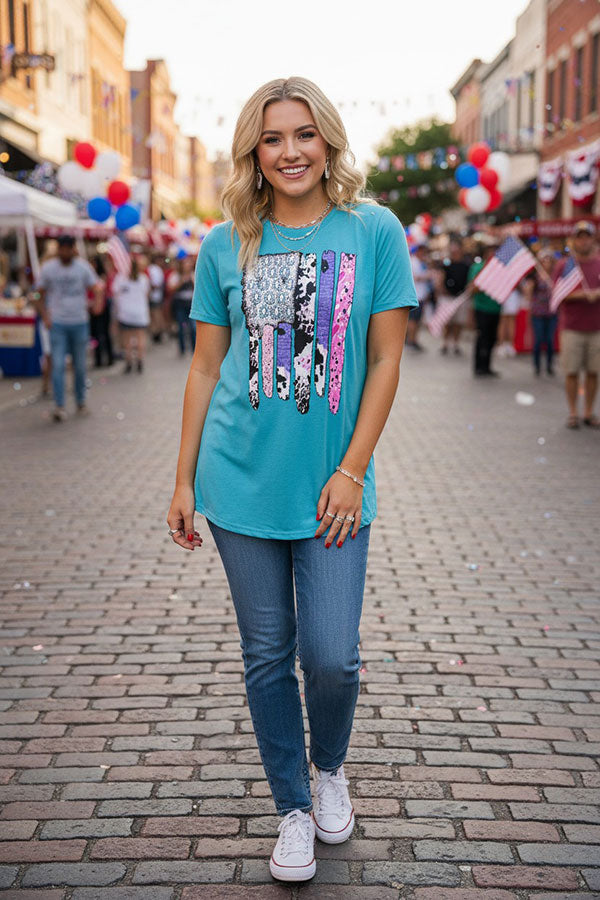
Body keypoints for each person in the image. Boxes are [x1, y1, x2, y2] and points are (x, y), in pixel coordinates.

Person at [166, 76, 418, 883]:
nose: (289, 151)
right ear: (254, 152)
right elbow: (205, 370)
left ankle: (330, 767)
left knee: (333, 656)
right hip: (239, 483)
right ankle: (293, 809)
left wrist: (353, 469)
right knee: (268, 655)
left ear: (329, 140)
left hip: (334, 490)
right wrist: (182, 482)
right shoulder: (224, 243)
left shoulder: (372, 231)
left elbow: (386, 358)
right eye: (272, 139)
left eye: (303, 134)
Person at [34, 234, 102, 421]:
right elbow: (38, 294)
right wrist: (45, 316)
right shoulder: (48, 269)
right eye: (61, 248)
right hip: (58, 324)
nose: (64, 252)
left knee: (80, 365)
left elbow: (97, 287)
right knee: (57, 364)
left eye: (68, 248)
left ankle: (80, 401)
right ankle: (60, 405)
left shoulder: (82, 267)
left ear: (73, 248)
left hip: (79, 322)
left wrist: (98, 303)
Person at [555, 221, 600, 429]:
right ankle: (573, 412)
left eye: (587, 236)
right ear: (574, 240)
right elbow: (556, 295)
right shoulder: (565, 265)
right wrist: (581, 295)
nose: (583, 241)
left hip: (596, 328)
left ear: (593, 238)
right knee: (571, 372)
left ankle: (589, 412)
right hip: (572, 327)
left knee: (593, 372)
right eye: (580, 237)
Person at [521, 249, 557, 376]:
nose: (547, 262)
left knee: (549, 340)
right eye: (544, 260)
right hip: (537, 313)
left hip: (551, 313)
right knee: (538, 339)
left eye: (549, 260)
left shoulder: (555, 276)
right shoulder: (535, 277)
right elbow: (527, 293)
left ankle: (549, 365)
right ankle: (537, 365)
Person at [469, 243, 502, 377]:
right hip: (482, 308)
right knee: (482, 337)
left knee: (492, 338)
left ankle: (487, 366)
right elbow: (472, 288)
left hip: (495, 308)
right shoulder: (477, 267)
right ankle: (479, 366)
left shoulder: (499, 268)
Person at [112, 256, 150, 373]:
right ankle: (139, 360)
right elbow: (146, 294)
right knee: (140, 338)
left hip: (125, 313)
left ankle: (128, 362)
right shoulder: (143, 279)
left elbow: (114, 294)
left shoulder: (120, 279)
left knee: (127, 339)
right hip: (140, 312)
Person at [439, 237, 471, 355]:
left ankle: (456, 343)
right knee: (447, 322)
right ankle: (445, 343)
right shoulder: (447, 264)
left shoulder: (466, 265)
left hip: (460, 297)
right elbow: (441, 278)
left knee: (458, 322)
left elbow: (468, 280)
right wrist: (441, 291)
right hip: (447, 297)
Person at [89, 256, 114, 368]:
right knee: (95, 335)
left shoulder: (102, 277)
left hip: (102, 308)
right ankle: (98, 358)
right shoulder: (90, 277)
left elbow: (104, 292)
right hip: (92, 308)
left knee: (104, 333)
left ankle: (109, 357)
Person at [168, 256, 196, 355]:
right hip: (180, 304)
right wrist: (181, 281)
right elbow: (170, 288)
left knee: (193, 327)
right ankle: (182, 348)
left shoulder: (193, 274)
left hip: (191, 304)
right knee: (180, 327)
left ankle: (194, 348)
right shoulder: (175, 275)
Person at [407, 243, 429, 351]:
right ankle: (410, 340)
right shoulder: (413, 262)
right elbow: (412, 277)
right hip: (415, 295)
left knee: (417, 320)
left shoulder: (420, 262)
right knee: (413, 320)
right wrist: (427, 276)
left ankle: (414, 340)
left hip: (421, 295)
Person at [497, 285, 521, 358]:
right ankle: (508, 345)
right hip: (511, 295)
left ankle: (504, 345)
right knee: (510, 322)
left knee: (504, 322)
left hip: (506, 294)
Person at [147, 253, 166, 343]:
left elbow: (156, 284)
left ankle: (158, 332)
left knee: (155, 315)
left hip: (154, 296)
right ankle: (157, 333)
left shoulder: (155, 269)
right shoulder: (155, 269)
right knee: (155, 315)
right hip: (155, 296)